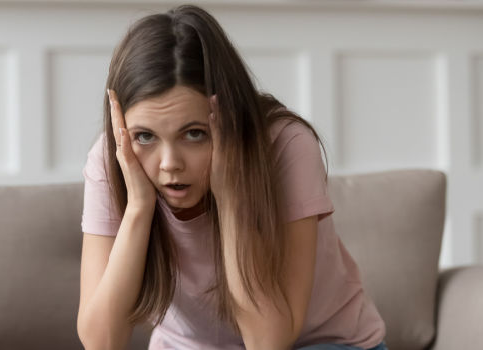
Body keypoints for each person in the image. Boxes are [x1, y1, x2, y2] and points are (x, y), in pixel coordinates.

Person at [77, 5, 387, 350]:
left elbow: (268, 342)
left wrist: (230, 196)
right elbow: (102, 343)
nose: (169, 164)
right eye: (146, 136)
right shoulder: (114, 159)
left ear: (228, 119)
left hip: (322, 344)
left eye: (194, 133)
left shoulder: (286, 145)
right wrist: (138, 208)